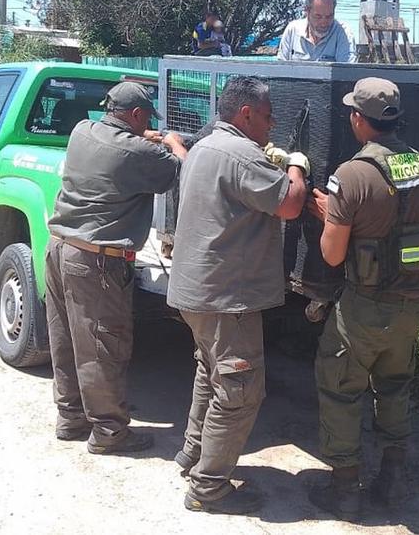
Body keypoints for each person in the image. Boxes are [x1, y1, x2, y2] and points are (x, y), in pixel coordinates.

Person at [166, 76, 309, 515]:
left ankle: (193, 456)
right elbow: (290, 203)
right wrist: (297, 167)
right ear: (245, 114)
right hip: (229, 298)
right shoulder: (241, 154)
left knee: (211, 374)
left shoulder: (206, 146)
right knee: (240, 389)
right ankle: (209, 487)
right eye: (267, 116)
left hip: (195, 291)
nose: (272, 124)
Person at [304, 77, 419, 520]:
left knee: (341, 387)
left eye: (352, 113)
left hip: (365, 306)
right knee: (395, 386)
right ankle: (394, 479)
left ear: (359, 120)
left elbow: (332, 254)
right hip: (414, 303)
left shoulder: (352, 174)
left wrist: (330, 216)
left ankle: (345, 489)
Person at [45, 81, 187, 455]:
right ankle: (109, 432)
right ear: (137, 115)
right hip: (97, 261)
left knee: (66, 339)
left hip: (59, 248)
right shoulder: (137, 151)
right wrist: (170, 142)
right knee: (101, 344)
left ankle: (71, 416)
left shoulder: (82, 131)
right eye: (144, 120)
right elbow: (180, 170)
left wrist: (146, 140)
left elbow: (126, 147)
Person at [276, 0, 357, 63]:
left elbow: (347, 72)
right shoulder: (292, 31)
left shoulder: (343, 33)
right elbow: (280, 69)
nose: (323, 22)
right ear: (307, 11)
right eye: (318, 16)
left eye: (329, 16)